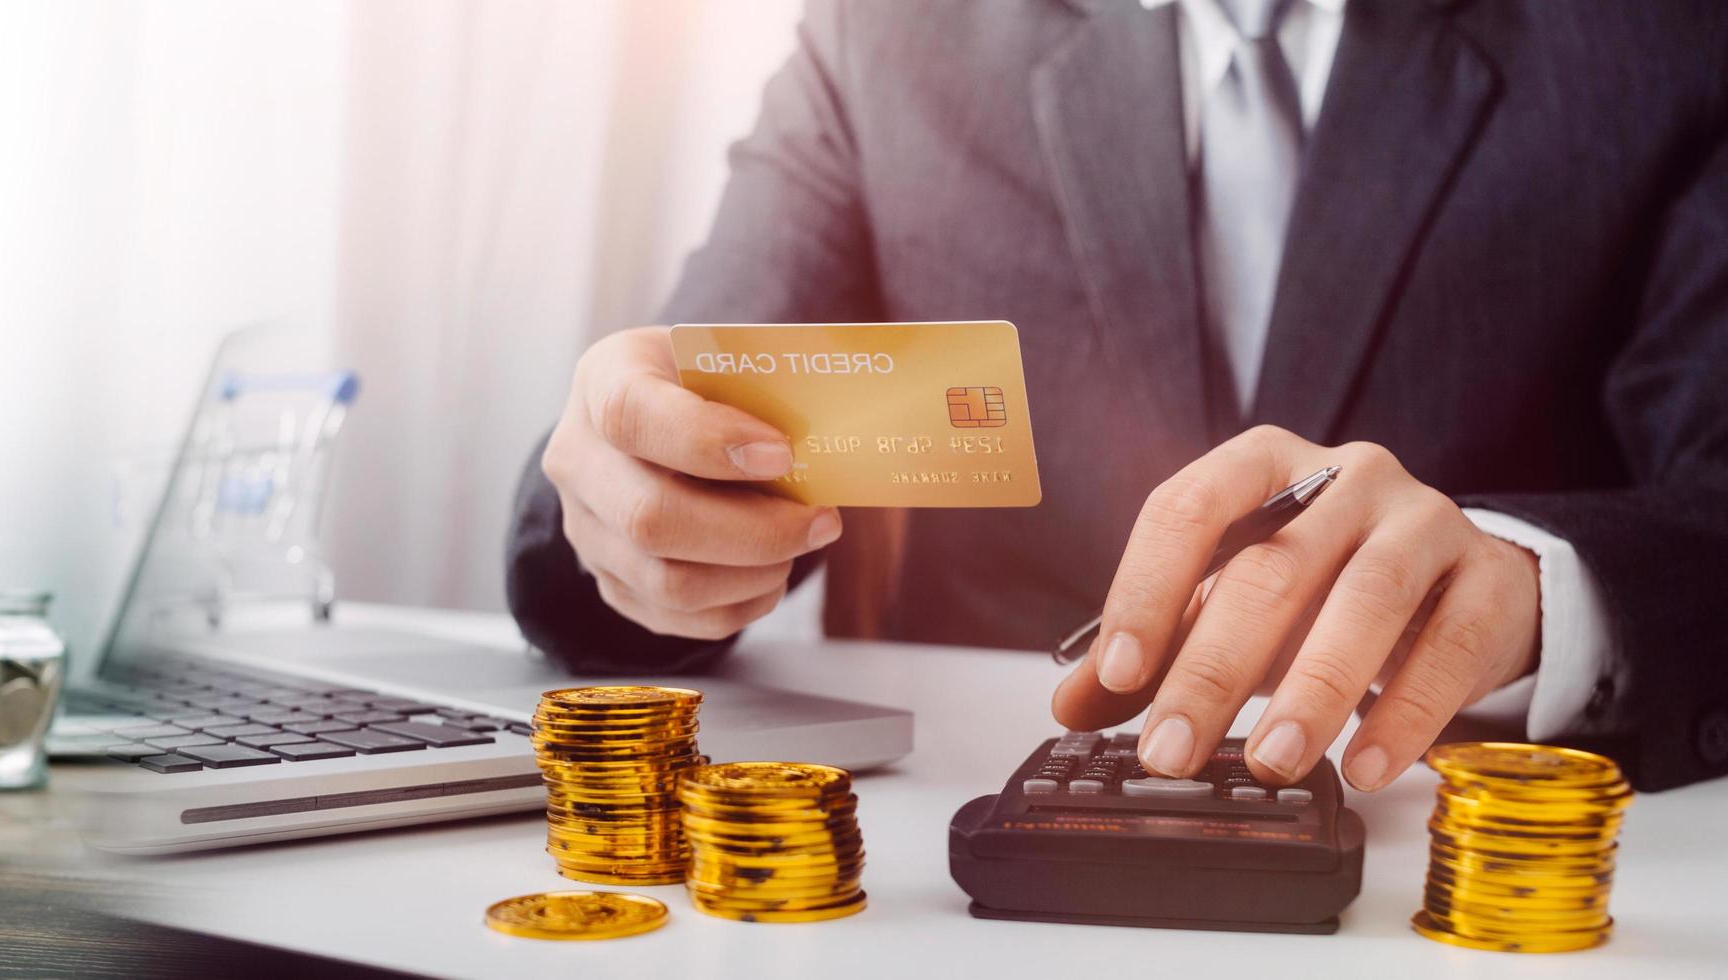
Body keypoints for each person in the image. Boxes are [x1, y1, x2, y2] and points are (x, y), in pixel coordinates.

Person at [510, 0, 1726, 792]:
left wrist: (1521, 585)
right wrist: (623, 505)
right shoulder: (881, 36)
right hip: (966, 854)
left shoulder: (1663, 42)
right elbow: (693, 414)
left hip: (1426, 842)